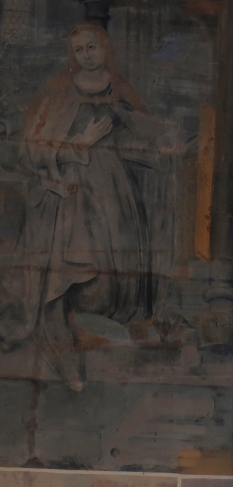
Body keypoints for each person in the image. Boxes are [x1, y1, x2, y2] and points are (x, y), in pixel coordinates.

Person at [0, 21, 180, 389]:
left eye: (92, 47)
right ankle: (66, 326)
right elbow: (31, 149)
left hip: (114, 186)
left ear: (105, 49)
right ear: (72, 55)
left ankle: (106, 327)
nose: (86, 55)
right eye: (79, 49)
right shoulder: (58, 92)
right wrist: (78, 143)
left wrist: (161, 144)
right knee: (76, 257)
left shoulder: (119, 90)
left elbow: (137, 133)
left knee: (117, 255)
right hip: (69, 189)